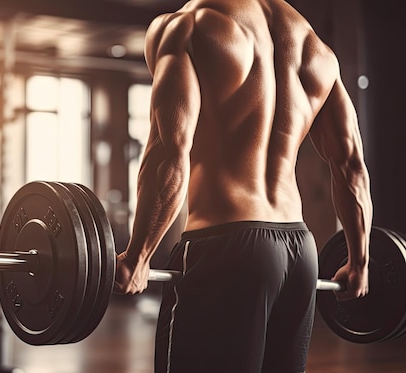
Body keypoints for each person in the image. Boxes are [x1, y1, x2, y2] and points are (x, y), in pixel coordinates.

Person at [113, 0, 373, 372]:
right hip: (299, 252)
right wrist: (359, 260)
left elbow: (169, 153)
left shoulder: (189, 26)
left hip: (225, 248)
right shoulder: (314, 47)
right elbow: (351, 166)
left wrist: (139, 256)